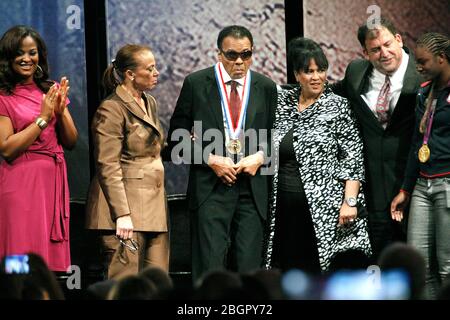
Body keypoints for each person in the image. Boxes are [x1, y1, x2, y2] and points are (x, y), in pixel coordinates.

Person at [167, 25, 277, 283]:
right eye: (231, 55)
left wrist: (260, 157)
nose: (239, 61)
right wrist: (210, 159)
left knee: (251, 273)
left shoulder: (266, 86)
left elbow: (278, 136)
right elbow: (176, 139)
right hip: (211, 189)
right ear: (218, 54)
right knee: (209, 271)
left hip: (252, 190)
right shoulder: (196, 83)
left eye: (246, 54)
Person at [264, 37, 371, 273]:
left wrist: (350, 202)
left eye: (321, 70)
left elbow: (353, 157)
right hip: (282, 208)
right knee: (287, 274)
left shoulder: (338, 107)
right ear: (296, 74)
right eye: (309, 71)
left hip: (326, 210)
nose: (316, 77)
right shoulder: (282, 102)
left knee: (318, 272)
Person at [332, 17, 422, 260]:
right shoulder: (356, 72)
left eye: (388, 44)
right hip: (374, 190)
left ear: (399, 40)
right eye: (375, 49)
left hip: (416, 187)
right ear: (365, 52)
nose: (384, 53)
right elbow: (327, 93)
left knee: (420, 264)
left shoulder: (423, 73)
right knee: (381, 262)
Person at [86, 44, 169, 280]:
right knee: (124, 282)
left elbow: (153, 149)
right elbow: (107, 165)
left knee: (157, 283)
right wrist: (121, 214)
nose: (156, 73)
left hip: (152, 208)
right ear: (130, 74)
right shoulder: (111, 109)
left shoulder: (148, 101)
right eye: (150, 68)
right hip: (125, 210)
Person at [0, 25, 78, 271]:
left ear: (40, 56)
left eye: (32, 53)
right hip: (19, 184)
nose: (26, 59)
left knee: (47, 265)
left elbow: (71, 141)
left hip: (51, 184)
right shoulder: (3, 96)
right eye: (19, 53)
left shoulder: (50, 89)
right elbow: (6, 148)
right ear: (8, 58)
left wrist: (60, 111)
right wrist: (42, 119)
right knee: (19, 259)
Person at [390, 32, 450, 299]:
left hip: (448, 184)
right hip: (423, 186)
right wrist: (405, 189)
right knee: (420, 267)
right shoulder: (424, 93)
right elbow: (417, 143)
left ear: (442, 58)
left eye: (424, 61)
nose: (419, 67)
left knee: (448, 268)